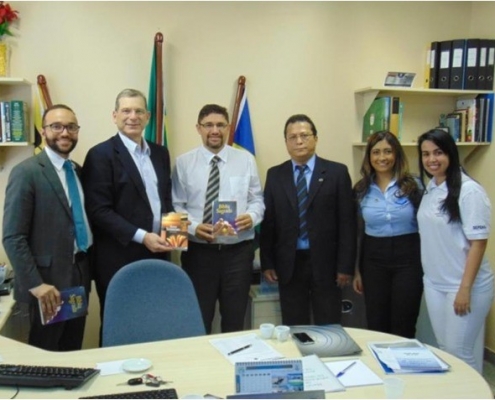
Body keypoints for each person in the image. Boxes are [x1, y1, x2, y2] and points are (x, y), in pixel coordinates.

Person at [2, 104, 92, 351]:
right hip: (46, 286)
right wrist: (36, 284)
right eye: (56, 126)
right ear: (43, 131)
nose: (64, 132)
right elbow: (12, 236)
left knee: (72, 349)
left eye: (71, 127)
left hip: (78, 276)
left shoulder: (77, 172)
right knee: (46, 354)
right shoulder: (27, 172)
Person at [82, 88, 173, 324]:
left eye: (138, 111)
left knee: (155, 322)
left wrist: (175, 237)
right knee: (120, 325)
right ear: (115, 116)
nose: (133, 116)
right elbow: (99, 211)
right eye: (126, 110)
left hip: (159, 255)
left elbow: (166, 200)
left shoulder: (160, 153)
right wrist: (143, 237)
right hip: (118, 259)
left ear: (148, 117)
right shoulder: (100, 155)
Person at [172, 104, 264, 334]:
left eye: (220, 125)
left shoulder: (246, 160)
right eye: (208, 125)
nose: (215, 130)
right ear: (198, 128)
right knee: (197, 320)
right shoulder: (183, 163)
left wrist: (251, 217)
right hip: (197, 253)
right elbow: (174, 206)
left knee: (234, 321)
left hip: (238, 253)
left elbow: (258, 200)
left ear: (228, 128)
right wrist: (192, 228)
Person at [260, 114, 356, 325]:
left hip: (327, 264)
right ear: (286, 142)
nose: (299, 141)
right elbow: (269, 223)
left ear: (316, 138)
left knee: (328, 323)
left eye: (304, 135)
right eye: (292, 137)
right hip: (289, 263)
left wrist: (345, 266)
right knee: (294, 325)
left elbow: (347, 223)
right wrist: (267, 262)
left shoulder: (337, 172)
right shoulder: (275, 175)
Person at [417, 128, 494, 373]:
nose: (431, 159)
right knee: (445, 348)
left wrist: (464, 289)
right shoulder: (432, 186)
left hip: (464, 286)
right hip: (436, 283)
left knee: (460, 352)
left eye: (438, 152)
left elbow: (479, 243)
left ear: (451, 153)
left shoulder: (469, 191)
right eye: (426, 154)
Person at [352, 131, 423, 338]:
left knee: (404, 322)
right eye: (376, 152)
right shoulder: (360, 190)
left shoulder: (414, 186)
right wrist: (357, 270)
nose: (382, 157)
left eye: (387, 151)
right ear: (369, 157)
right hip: (373, 261)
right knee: (376, 323)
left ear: (396, 155)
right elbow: (357, 233)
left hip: (409, 259)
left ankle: (405, 368)